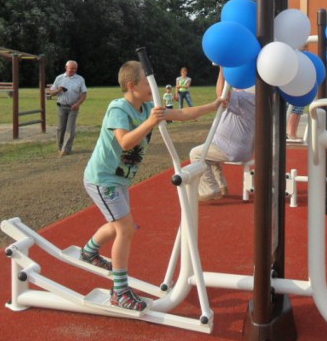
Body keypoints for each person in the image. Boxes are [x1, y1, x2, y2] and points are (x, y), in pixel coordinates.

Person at [80, 61, 224, 311]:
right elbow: (124, 142)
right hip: (102, 179)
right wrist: (149, 123)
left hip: (119, 179)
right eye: (148, 83)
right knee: (125, 229)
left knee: (119, 226)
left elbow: (181, 114)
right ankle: (119, 291)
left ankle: (89, 251)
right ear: (132, 85)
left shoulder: (148, 107)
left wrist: (214, 106)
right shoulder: (119, 107)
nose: (153, 87)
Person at [189, 68, 255, 201]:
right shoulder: (255, 98)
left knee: (196, 154)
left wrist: (222, 69)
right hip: (237, 146)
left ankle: (210, 190)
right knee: (210, 152)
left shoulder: (245, 98)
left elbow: (221, 95)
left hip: (232, 147)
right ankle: (221, 185)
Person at [49, 60, 87, 156]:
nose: (73, 70)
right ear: (66, 67)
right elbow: (51, 93)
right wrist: (59, 90)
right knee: (61, 128)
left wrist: (77, 104)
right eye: (71, 68)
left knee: (70, 128)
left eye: (75, 68)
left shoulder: (80, 79)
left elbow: (84, 94)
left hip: (73, 107)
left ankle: (66, 149)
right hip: (61, 106)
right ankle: (60, 147)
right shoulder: (59, 78)